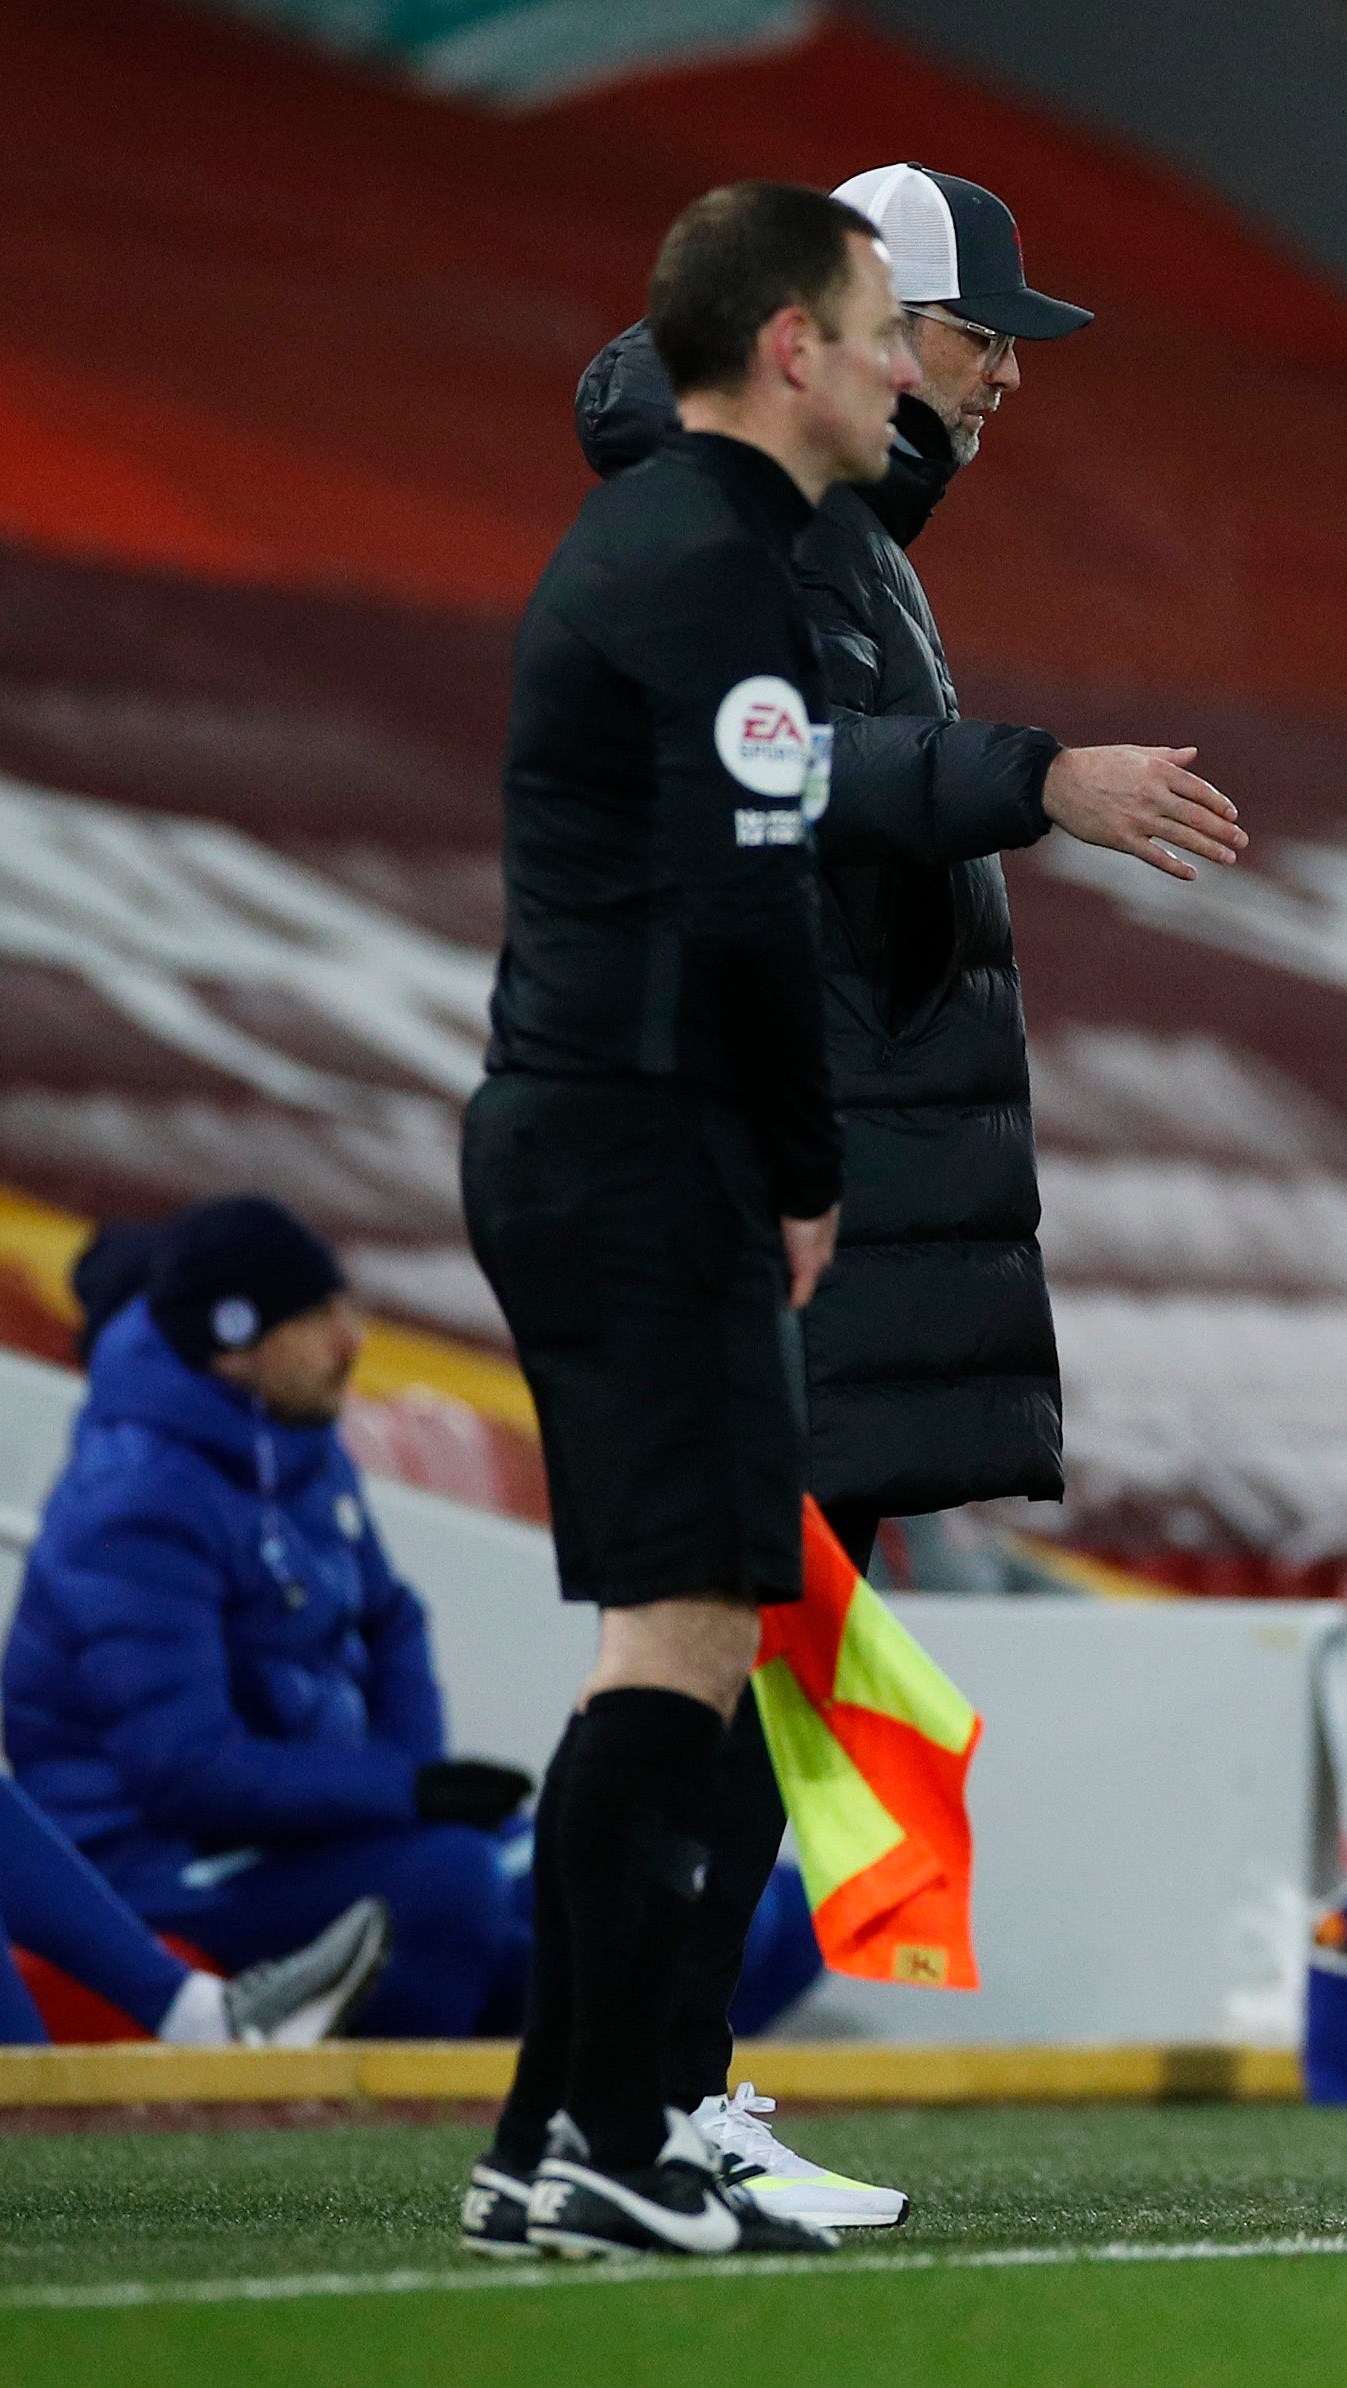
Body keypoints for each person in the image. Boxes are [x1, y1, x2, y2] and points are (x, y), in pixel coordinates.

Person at [567, 159, 1242, 2231]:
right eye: (973, 336)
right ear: (847, 337)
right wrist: (1044, 775)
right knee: (722, 1646)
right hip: (764, 1168)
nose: (1001, 379)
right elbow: (798, 770)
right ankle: (636, 2106)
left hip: (817, 1167)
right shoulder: (741, 530)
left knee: (774, 1653)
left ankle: (664, 2094)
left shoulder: (821, 531)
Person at [453, 180, 912, 2263]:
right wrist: (807, 1169)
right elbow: (751, 912)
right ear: (790, 346)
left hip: (589, 1132)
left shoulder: (678, 545)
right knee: (689, 1641)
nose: (909, 365)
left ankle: (556, 2136)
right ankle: (616, 2136)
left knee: (670, 1640)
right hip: (649, 1143)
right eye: (886, 325)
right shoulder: (718, 569)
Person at [1, 1201, 818, 2047]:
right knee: (458, 1883)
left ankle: (656, 2102)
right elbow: (183, 1770)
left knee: (740, 1887)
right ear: (237, 1341)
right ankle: (471, 2120)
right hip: (159, 1861)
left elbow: (392, 1621)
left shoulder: (296, 1449)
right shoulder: (134, 1501)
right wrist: (407, 1796)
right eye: (316, 1318)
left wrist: (412, 1782)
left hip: (305, 1836)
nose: (350, 1341)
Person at [0, 1734, 388, 2049]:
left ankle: (197, 2016)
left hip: (170, 1843)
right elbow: (186, 1758)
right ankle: (24, 2127)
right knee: (434, 1879)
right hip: (139, 1854)